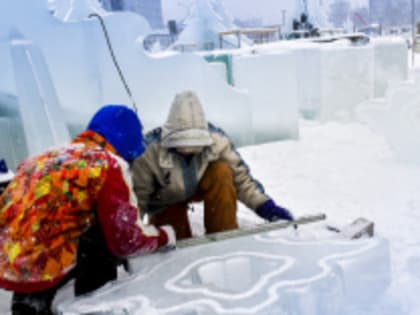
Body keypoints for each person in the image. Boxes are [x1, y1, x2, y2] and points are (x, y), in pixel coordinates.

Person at [0, 105, 176, 315]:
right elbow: (127, 240)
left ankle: (30, 303)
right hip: (44, 266)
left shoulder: (42, 157)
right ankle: (95, 304)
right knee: (103, 237)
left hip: (9, 260)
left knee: (51, 229)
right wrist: (164, 236)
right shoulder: (107, 164)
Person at [132, 90, 294, 240]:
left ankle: (224, 235)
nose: (189, 152)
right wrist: (131, 233)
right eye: (183, 147)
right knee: (177, 247)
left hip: (200, 185)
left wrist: (266, 207)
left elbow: (241, 179)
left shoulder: (218, 141)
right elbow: (137, 196)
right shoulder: (148, 152)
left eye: (195, 148)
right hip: (166, 201)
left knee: (222, 171)